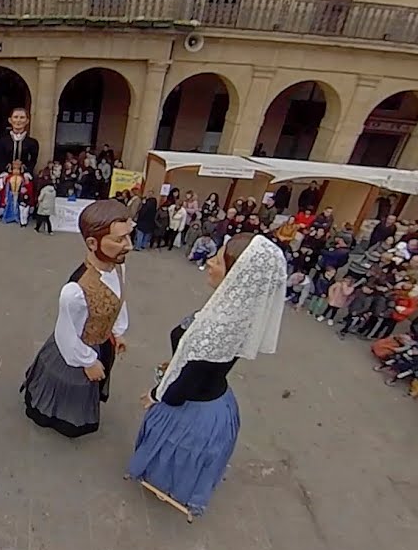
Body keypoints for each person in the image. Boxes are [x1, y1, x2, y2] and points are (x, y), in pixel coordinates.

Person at [128, 234, 286, 519]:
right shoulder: (238, 309)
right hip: (215, 399)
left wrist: (155, 395)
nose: (210, 263)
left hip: (192, 407)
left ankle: (168, 486)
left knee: (172, 449)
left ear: (237, 276)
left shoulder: (217, 327)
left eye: (218, 260)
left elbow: (183, 387)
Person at [21, 200, 132, 438]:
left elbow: (118, 299)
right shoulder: (74, 291)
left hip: (101, 343)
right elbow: (66, 333)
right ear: (92, 243)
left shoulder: (119, 266)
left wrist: (117, 331)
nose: (129, 245)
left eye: (128, 236)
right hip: (76, 351)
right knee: (68, 391)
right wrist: (88, 361)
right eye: (119, 239)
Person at [0, 106, 39, 176]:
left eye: (22, 117)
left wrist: (24, 169)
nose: (18, 120)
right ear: (10, 120)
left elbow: (32, 161)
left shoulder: (33, 143)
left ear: (27, 121)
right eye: (15, 117)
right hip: (4, 175)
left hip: (25, 176)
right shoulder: (1, 141)